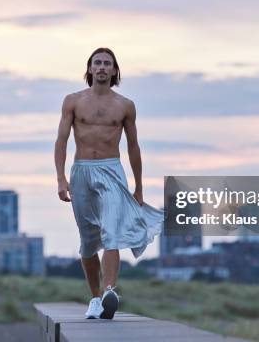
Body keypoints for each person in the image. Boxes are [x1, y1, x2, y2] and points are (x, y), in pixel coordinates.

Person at [54, 47, 164, 320]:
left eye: (107, 64)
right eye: (97, 63)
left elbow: (134, 147)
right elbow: (61, 141)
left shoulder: (125, 106)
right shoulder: (73, 101)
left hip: (112, 171)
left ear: (115, 71)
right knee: (88, 240)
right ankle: (94, 298)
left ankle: (109, 292)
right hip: (81, 172)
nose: (102, 67)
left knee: (111, 231)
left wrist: (139, 186)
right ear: (89, 69)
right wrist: (60, 178)